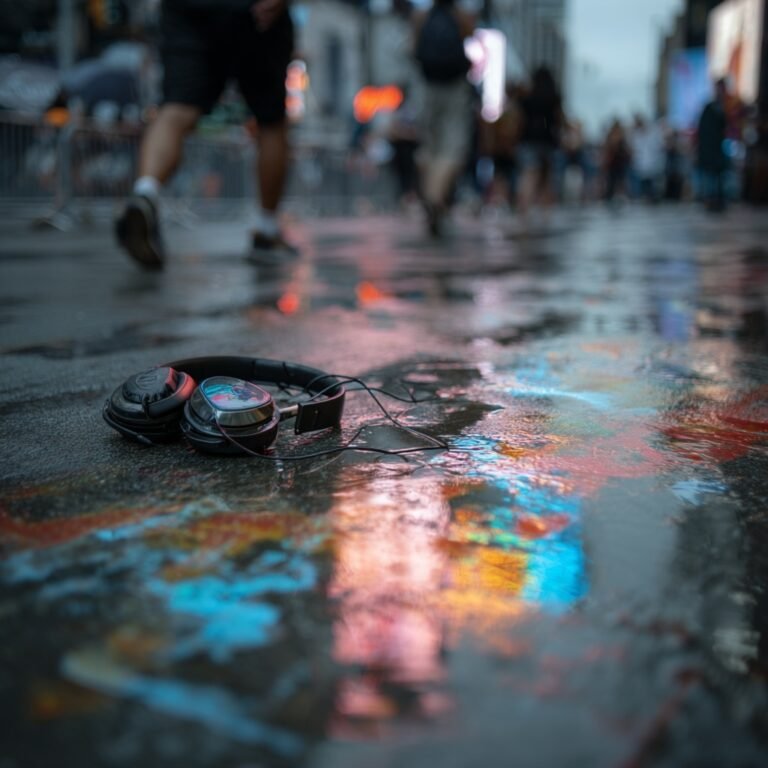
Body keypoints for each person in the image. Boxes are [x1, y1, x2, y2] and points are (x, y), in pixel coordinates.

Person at [115, 0, 296, 270]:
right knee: (270, 123)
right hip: (253, 11)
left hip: (190, 10)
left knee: (177, 110)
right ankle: (267, 231)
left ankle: (146, 193)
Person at [411, 0, 477, 236]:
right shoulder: (461, 16)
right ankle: (434, 198)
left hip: (427, 86)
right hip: (454, 88)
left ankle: (431, 200)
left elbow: (413, 49)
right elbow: (470, 39)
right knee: (452, 148)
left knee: (429, 145)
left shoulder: (421, 16)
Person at [515, 65, 565, 224]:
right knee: (547, 178)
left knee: (528, 175)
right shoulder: (554, 97)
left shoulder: (527, 97)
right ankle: (546, 214)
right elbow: (559, 120)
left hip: (528, 139)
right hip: (548, 141)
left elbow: (519, 121)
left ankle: (524, 210)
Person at [696, 78, 729, 212]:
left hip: (719, 149)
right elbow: (703, 130)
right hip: (710, 150)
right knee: (710, 177)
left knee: (719, 176)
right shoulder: (710, 107)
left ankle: (718, 200)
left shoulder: (726, 106)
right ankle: (711, 200)